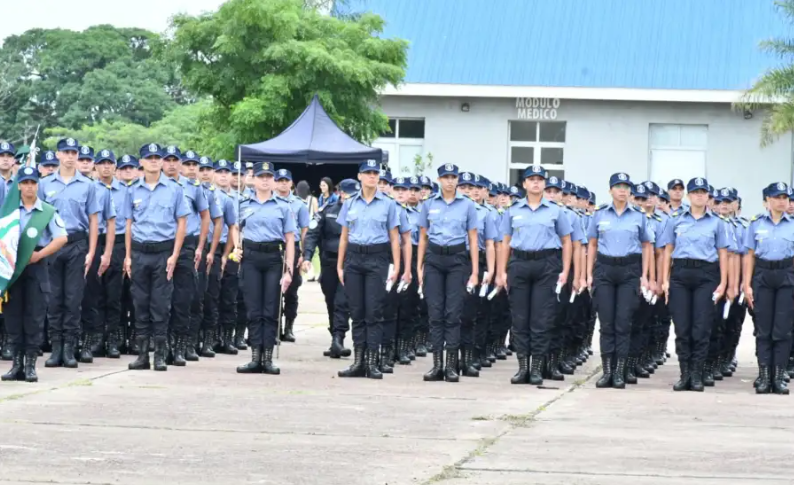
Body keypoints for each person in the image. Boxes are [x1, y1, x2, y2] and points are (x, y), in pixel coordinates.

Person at [496, 166, 573, 385]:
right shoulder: (513, 210)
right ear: (524, 184)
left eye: (540, 180)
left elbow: (567, 241)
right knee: (520, 319)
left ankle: (537, 367)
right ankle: (523, 367)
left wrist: (565, 271)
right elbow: (505, 242)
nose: (536, 183)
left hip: (546, 265)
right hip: (519, 264)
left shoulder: (555, 211)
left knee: (541, 318)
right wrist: (502, 272)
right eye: (532, 179)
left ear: (545, 184)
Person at [659, 177, 732, 392]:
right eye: (696, 192)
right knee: (682, 327)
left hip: (706, 274)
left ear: (708, 196)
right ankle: (685, 374)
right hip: (680, 274)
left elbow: (723, 253)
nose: (699, 196)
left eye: (703, 192)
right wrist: (664, 280)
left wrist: (724, 282)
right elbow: (667, 251)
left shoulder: (717, 222)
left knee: (701, 327)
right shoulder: (676, 219)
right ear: (689, 196)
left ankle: (698, 374)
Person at [336, 160, 407, 379]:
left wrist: (395, 266)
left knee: (374, 312)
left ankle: (372, 362)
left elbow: (395, 238)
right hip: (354, 259)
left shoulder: (388, 204)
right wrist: (340, 265)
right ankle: (358, 362)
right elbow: (344, 236)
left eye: (375, 173)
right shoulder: (350, 203)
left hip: (378, 258)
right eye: (368, 173)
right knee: (357, 312)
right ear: (359, 176)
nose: (372, 176)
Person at [122, 143, 190, 371]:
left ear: (162, 162)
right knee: (140, 303)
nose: (153, 161)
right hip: (140, 252)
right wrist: (128, 256)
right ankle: (142, 355)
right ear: (140, 162)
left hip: (163, 253)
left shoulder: (174, 189)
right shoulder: (132, 190)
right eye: (148, 157)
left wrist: (174, 255)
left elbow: (182, 223)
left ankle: (160, 354)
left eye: (156, 157)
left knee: (160, 305)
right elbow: (129, 224)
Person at [586, 173, 653, 389]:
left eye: (626, 187)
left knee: (623, 322)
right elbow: (593, 245)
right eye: (618, 186)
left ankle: (619, 372)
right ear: (610, 190)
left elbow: (646, 246)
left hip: (629, 270)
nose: (622, 190)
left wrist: (644, 275)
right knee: (606, 323)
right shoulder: (599, 214)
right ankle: (606, 371)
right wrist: (589, 274)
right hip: (604, 269)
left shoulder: (638, 215)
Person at [2, 166, 68, 383]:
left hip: (36, 268)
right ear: (19, 185)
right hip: (12, 269)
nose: (29, 187)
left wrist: (40, 255)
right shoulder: (9, 211)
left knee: (34, 317)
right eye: (26, 183)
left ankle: (30, 366)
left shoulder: (47, 211)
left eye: (33, 183)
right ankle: (16, 365)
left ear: (38, 185)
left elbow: (61, 238)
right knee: (13, 317)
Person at [41, 137, 102, 369]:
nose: (70, 156)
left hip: (77, 245)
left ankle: (69, 349)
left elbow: (94, 220)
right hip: (52, 246)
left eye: (73, 152)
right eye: (65, 152)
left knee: (73, 299)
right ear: (57, 155)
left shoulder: (88, 185)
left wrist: (92, 251)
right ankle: (56, 349)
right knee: (54, 299)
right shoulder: (45, 184)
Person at [417, 163, 479, 383]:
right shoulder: (428, 204)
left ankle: (451, 366)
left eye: (453, 177)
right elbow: (423, 236)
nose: (450, 181)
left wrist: (475, 270)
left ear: (458, 180)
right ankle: (437, 365)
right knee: (435, 313)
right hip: (434, 259)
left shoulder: (467, 205)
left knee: (453, 313)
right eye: (446, 177)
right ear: (439, 180)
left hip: (457, 260)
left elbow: (473, 238)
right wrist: (419, 266)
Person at [235, 162, 295, 375]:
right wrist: (236, 246)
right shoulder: (243, 203)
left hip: (273, 258)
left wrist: (289, 271)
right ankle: (254, 357)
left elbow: (289, 239)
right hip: (251, 257)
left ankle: (267, 357)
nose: (265, 180)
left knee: (270, 309)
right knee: (253, 309)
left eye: (269, 176)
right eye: (261, 176)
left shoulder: (283, 206)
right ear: (253, 179)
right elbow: (235, 227)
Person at [742, 182, 794, 394]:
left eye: (785, 197)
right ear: (766, 202)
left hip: (786, 276)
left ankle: (778, 376)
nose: (782, 201)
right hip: (762, 275)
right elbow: (749, 255)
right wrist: (746, 284)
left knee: (782, 329)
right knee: (763, 329)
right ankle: (764, 376)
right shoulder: (755, 224)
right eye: (777, 197)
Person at [162, 146, 211, 365]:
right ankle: (162, 346)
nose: (172, 164)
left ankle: (179, 347)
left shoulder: (192, 187)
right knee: (161, 301)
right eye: (168, 160)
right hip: (161, 244)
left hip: (186, 247)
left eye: (176, 160)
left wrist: (200, 247)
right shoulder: (155, 186)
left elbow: (205, 216)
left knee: (183, 299)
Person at [302, 179, 355, 359]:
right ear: (340, 193)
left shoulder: (360, 212)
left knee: (342, 302)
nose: (349, 197)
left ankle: (338, 339)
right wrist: (307, 257)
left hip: (350, 263)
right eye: (347, 193)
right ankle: (335, 339)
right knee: (332, 301)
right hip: (329, 263)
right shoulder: (327, 211)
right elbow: (312, 234)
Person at [274, 170, 310, 343]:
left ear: (291, 183)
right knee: (273, 290)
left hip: (293, 249)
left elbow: (304, 230)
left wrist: (304, 253)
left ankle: (288, 327)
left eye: (285, 180)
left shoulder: (299, 204)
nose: (282, 183)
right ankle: (275, 328)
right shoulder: (269, 202)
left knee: (291, 291)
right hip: (274, 247)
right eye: (279, 180)